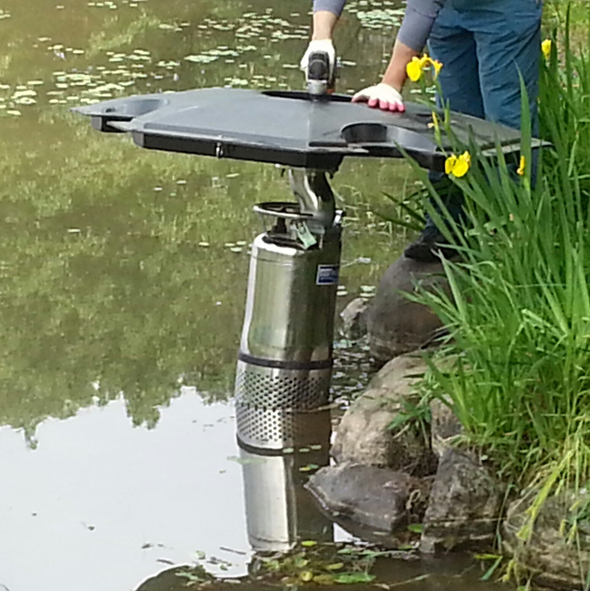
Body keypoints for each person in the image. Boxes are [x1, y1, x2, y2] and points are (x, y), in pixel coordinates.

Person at [301, 0, 543, 262]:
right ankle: (445, 231)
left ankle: (513, 237)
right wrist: (320, 39)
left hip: (504, 10)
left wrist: (390, 83)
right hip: (447, 13)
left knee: (505, 123)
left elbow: (424, 3)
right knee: (451, 121)